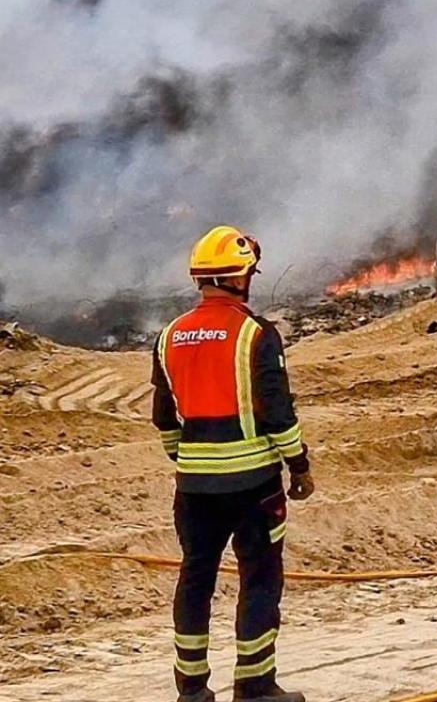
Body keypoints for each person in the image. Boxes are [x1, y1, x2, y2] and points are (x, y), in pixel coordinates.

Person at [151, 226, 314, 702]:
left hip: (194, 491)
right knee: (260, 577)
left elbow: (165, 419)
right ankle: (256, 688)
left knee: (195, 579)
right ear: (240, 278)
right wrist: (298, 465)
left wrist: (189, 460)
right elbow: (278, 413)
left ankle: (192, 690)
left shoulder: (169, 336)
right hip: (254, 488)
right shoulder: (255, 335)